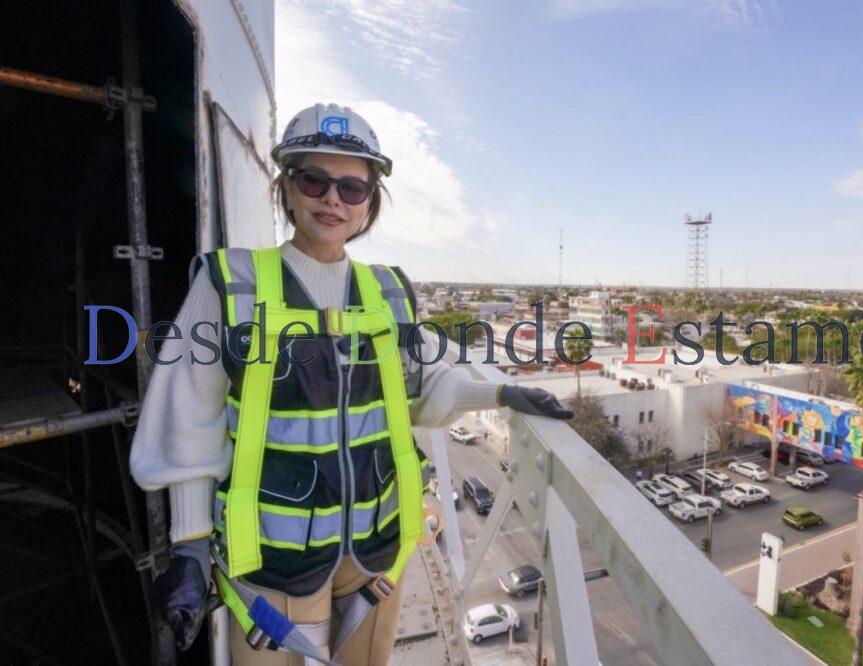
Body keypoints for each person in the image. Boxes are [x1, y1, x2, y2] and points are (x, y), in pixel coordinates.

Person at [130, 103, 572, 665]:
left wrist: (501, 393)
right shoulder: (230, 284)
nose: (332, 199)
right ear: (286, 188)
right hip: (272, 561)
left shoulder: (387, 291)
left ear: (370, 204)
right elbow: (187, 418)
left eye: (352, 187)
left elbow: (425, 379)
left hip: (375, 553)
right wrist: (191, 548)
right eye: (313, 179)